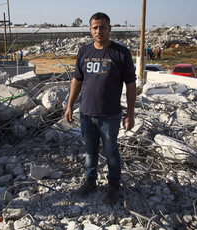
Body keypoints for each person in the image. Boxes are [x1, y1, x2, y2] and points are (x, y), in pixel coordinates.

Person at [64, 12, 136, 205]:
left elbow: (130, 84)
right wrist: (70, 105)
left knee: (111, 152)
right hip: (86, 112)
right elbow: (77, 80)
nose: (99, 31)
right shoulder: (84, 52)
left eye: (102, 27)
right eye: (95, 27)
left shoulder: (121, 53)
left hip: (110, 115)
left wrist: (130, 113)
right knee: (90, 151)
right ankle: (90, 181)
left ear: (109, 28)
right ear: (90, 29)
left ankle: (113, 185)